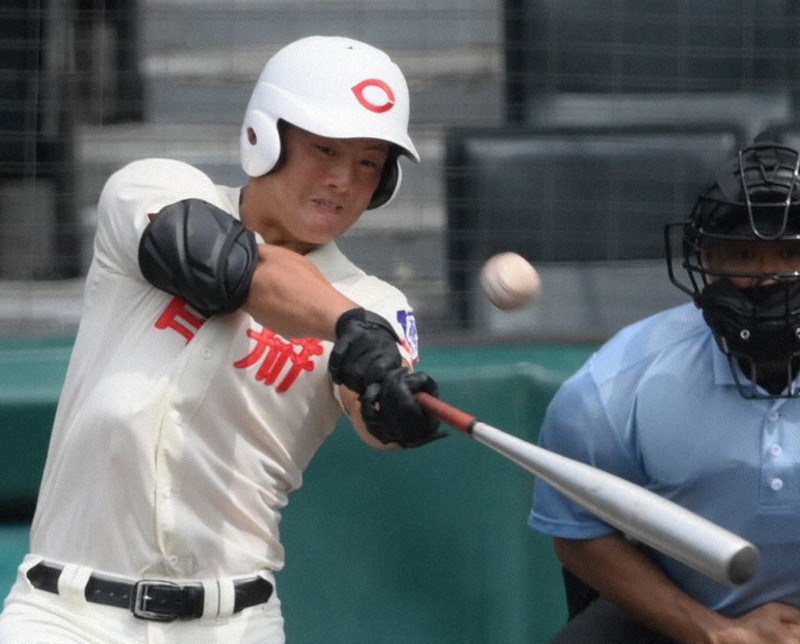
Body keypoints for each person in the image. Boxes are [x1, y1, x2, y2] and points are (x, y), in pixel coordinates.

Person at [0, 35, 444, 643]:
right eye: (323, 148)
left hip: (231, 623)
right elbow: (219, 262)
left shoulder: (379, 305)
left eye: (368, 161)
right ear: (267, 135)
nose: (343, 179)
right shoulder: (154, 187)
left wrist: (390, 402)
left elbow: (373, 420)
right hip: (64, 613)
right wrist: (348, 326)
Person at [529, 133, 800, 643]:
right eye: (742, 256)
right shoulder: (611, 388)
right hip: (686, 615)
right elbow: (580, 533)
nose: (768, 279)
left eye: (789, 254)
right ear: (703, 258)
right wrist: (716, 633)